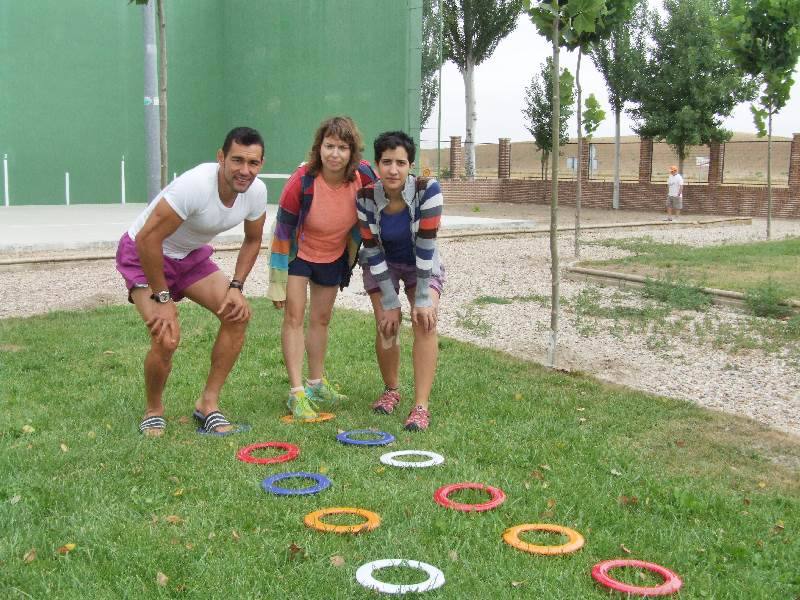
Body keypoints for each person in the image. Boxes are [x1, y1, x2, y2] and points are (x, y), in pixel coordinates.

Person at [115, 127, 267, 436]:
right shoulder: (196, 186)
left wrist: (237, 287)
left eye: (253, 163)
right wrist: (162, 298)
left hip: (189, 255)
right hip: (145, 254)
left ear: (261, 164)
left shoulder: (257, 192)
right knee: (166, 336)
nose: (244, 170)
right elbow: (147, 240)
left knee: (237, 316)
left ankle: (207, 404)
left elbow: (253, 240)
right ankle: (154, 410)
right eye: (237, 160)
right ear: (221, 157)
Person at [267, 116, 376, 420]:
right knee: (294, 317)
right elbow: (281, 233)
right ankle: (297, 393)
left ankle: (315, 384)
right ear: (319, 148)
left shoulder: (363, 177)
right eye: (329, 146)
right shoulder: (301, 182)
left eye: (342, 147)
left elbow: (383, 202)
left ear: (352, 151)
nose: (335, 154)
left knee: (322, 319)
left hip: (334, 254)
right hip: (298, 254)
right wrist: (277, 281)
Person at [356, 131, 444, 431]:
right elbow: (371, 249)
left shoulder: (428, 190)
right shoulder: (365, 197)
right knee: (387, 324)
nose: (393, 169)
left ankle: (421, 406)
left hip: (421, 261)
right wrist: (390, 302)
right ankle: (391, 390)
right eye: (387, 162)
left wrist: (421, 297)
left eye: (401, 163)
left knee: (425, 322)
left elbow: (426, 244)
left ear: (410, 165)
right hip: (383, 263)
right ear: (377, 165)